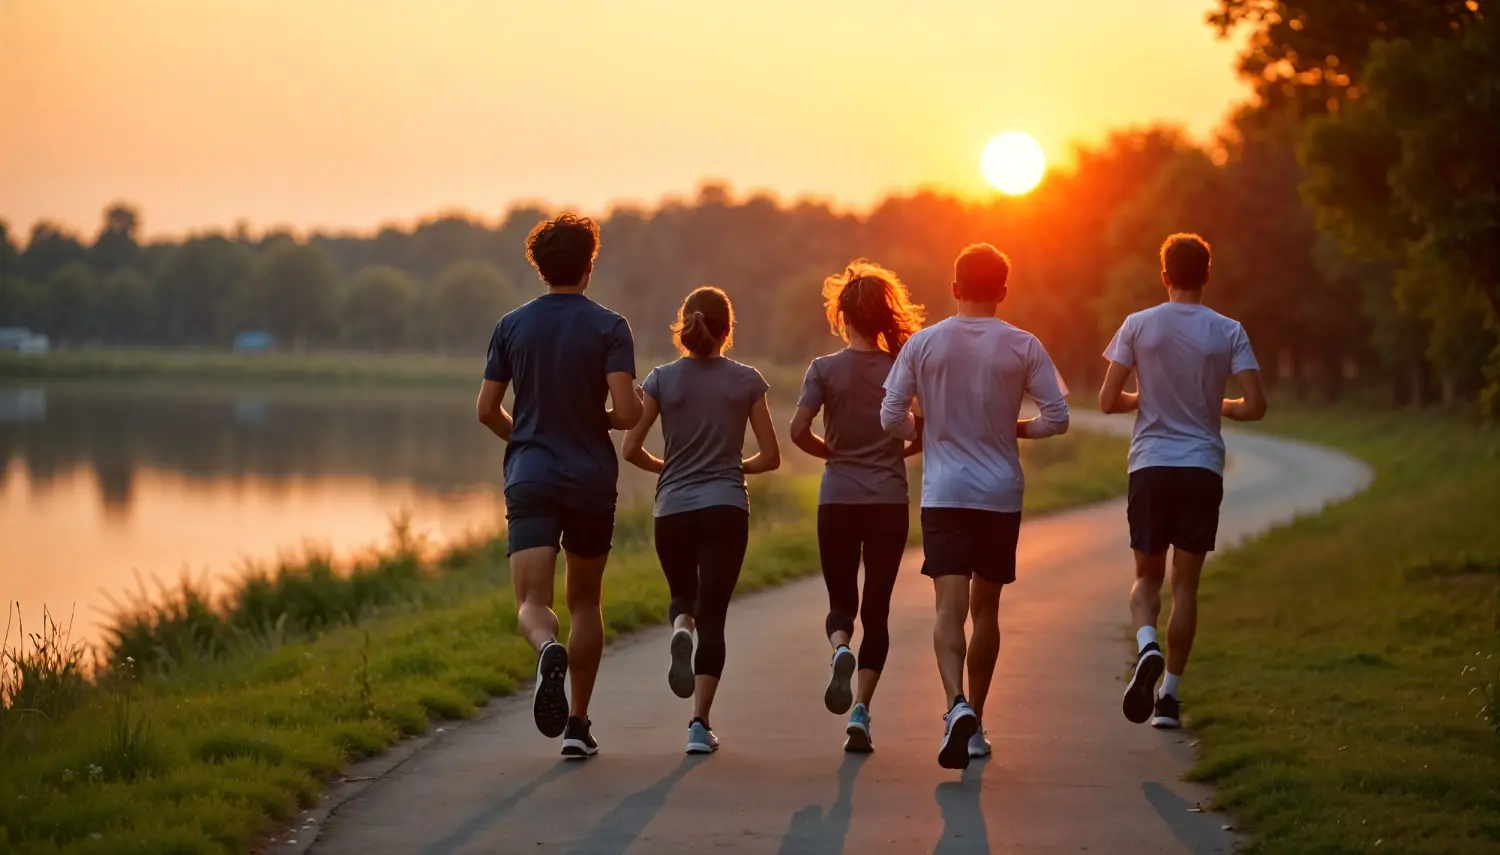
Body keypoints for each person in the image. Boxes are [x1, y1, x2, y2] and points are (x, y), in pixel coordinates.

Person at [881, 243, 1070, 770]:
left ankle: (953, 707)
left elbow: (889, 414)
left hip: (944, 493)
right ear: (1003, 291)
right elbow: (1058, 416)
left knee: (949, 607)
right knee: (986, 611)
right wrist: (1018, 430)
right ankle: (978, 723)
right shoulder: (1023, 346)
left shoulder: (923, 344)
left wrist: (922, 429)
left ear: (955, 287)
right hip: (999, 494)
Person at [476, 213, 642, 759]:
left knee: (531, 601)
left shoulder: (511, 326)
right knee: (586, 603)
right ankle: (576, 725)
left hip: (531, 474)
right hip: (592, 476)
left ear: (539, 268)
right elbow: (626, 410)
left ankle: (547, 647)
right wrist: (605, 416)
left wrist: (523, 435)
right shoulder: (610, 327)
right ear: (589, 266)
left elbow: (486, 410)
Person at [1099, 233, 1265, 730]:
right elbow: (1255, 406)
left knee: (1146, 578)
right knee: (1185, 586)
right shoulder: (1228, 331)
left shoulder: (1138, 325)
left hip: (1150, 465)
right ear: (1207, 275)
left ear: (1164, 274)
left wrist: (1142, 397)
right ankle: (1169, 698)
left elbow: (1108, 400)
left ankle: (1146, 643)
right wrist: (1222, 405)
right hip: (1200, 468)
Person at [623, 286, 780, 755]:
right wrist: (737, 467)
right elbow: (770, 456)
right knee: (715, 615)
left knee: (681, 597)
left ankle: (679, 630)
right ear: (728, 329)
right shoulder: (748, 381)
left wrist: (666, 469)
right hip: (726, 507)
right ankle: (698, 724)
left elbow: (630, 449)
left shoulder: (661, 380)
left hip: (672, 509)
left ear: (685, 325)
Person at [789, 260, 925, 753]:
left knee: (841, 603)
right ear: (884, 315)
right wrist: (897, 451)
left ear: (842, 316)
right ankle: (861, 713)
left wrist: (833, 452)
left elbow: (797, 431)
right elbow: (921, 427)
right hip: (888, 500)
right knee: (879, 609)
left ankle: (840, 647)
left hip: (838, 497)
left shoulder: (823, 370)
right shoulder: (902, 367)